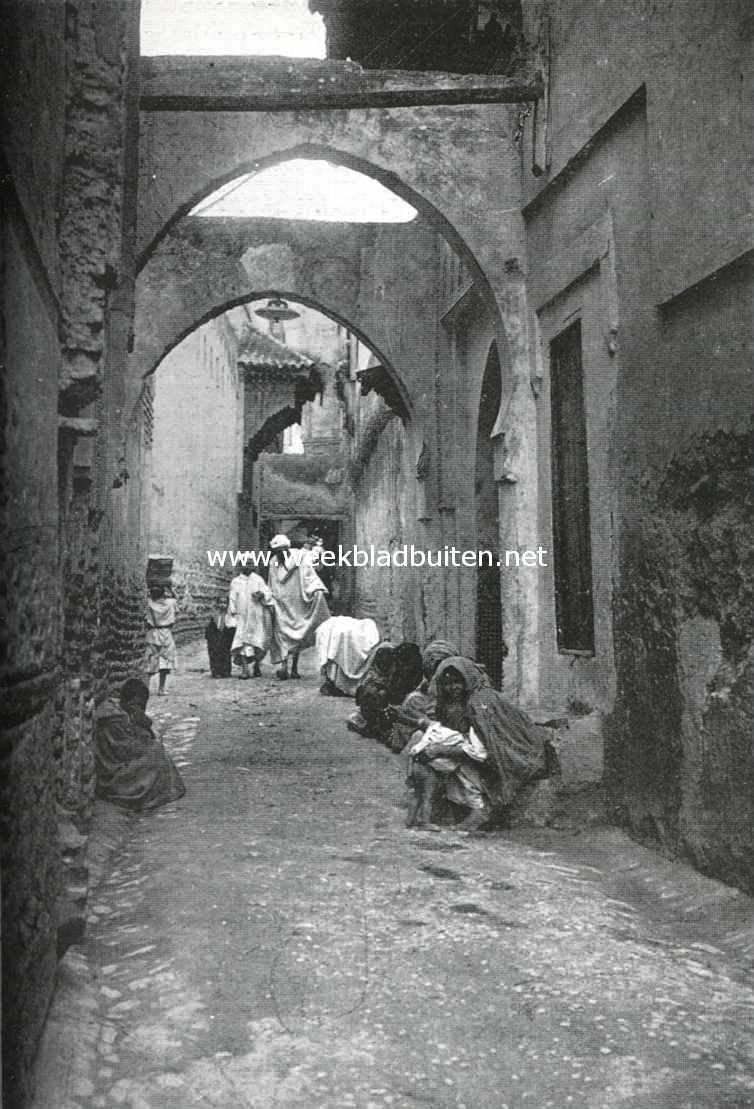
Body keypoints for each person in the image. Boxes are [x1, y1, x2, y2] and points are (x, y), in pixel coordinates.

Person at [405, 656, 548, 832]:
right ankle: (425, 814)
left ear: (468, 679)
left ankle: (480, 809)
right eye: (447, 683)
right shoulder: (452, 702)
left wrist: (441, 749)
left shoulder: (480, 702)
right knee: (425, 749)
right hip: (473, 747)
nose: (453, 688)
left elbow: (486, 748)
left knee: (450, 762)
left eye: (458, 682)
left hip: (504, 753)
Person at [93, 678, 186, 811]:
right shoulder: (114, 720)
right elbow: (127, 750)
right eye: (139, 705)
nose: (140, 710)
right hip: (112, 772)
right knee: (156, 753)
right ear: (130, 701)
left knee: (156, 750)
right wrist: (144, 728)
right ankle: (145, 793)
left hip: (119, 762)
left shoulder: (121, 714)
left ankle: (162, 789)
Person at [268, 534, 330, 679]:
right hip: (281, 603)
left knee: (297, 634)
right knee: (281, 634)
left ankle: (294, 668)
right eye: (277, 552)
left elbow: (309, 574)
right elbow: (273, 582)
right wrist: (272, 598)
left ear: (287, 548)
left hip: (297, 600)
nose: (280, 554)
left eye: (283, 550)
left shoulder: (300, 557)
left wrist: (316, 589)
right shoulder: (273, 562)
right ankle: (283, 665)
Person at [316, 615, 380, 696]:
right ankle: (333, 682)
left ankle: (334, 682)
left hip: (351, 629)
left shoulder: (368, 627)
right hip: (341, 628)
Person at [227, 563, 272, 678]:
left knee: (257, 642)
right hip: (242, 616)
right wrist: (233, 612)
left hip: (256, 615)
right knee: (242, 641)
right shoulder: (236, 581)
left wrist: (261, 595)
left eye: (250, 564)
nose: (248, 566)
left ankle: (257, 665)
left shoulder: (258, 579)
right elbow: (232, 598)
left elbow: (267, 592)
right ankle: (245, 670)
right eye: (245, 564)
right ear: (241, 566)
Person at [145, 584, 177, 696]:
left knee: (152, 659)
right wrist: (169, 589)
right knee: (165, 660)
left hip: (153, 633)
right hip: (166, 633)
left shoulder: (150, 603)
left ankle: (146, 688)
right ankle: (161, 689)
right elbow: (174, 598)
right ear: (164, 593)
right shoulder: (170, 603)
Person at [205, 594, 234, 678]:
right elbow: (209, 627)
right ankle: (216, 671)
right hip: (215, 638)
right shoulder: (214, 614)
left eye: (225, 603)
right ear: (217, 604)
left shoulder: (229, 615)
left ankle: (226, 671)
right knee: (214, 654)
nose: (222, 605)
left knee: (225, 654)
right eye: (220, 603)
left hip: (225, 637)